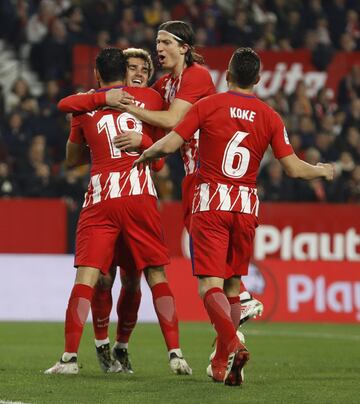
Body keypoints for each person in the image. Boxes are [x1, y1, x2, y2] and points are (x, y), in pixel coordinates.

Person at [132, 47, 334, 386]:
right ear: (257, 79)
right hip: (246, 207)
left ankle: (233, 342)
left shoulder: (208, 105)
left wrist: (144, 154)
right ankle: (221, 364)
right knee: (234, 286)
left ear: (227, 75)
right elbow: (294, 168)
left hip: (211, 203)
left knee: (208, 286)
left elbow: (170, 144)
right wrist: (323, 171)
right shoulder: (270, 116)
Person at [45, 47, 191, 375]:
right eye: (133, 67)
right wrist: (140, 139)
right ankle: (175, 353)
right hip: (139, 196)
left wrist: (100, 103)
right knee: (152, 273)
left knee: (93, 277)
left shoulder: (85, 104)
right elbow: (163, 155)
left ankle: (71, 357)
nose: (138, 73)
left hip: (101, 199)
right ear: (124, 72)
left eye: (143, 68)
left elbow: (71, 151)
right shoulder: (153, 103)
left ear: (97, 74)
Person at [113, 20, 264, 330]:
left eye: (165, 42)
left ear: (184, 47)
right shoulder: (166, 84)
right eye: (157, 42)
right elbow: (147, 106)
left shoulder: (197, 76)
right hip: (193, 176)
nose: (159, 48)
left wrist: (128, 108)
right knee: (210, 263)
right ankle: (232, 340)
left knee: (208, 268)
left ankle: (242, 303)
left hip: (209, 177)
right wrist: (110, 94)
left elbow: (170, 119)